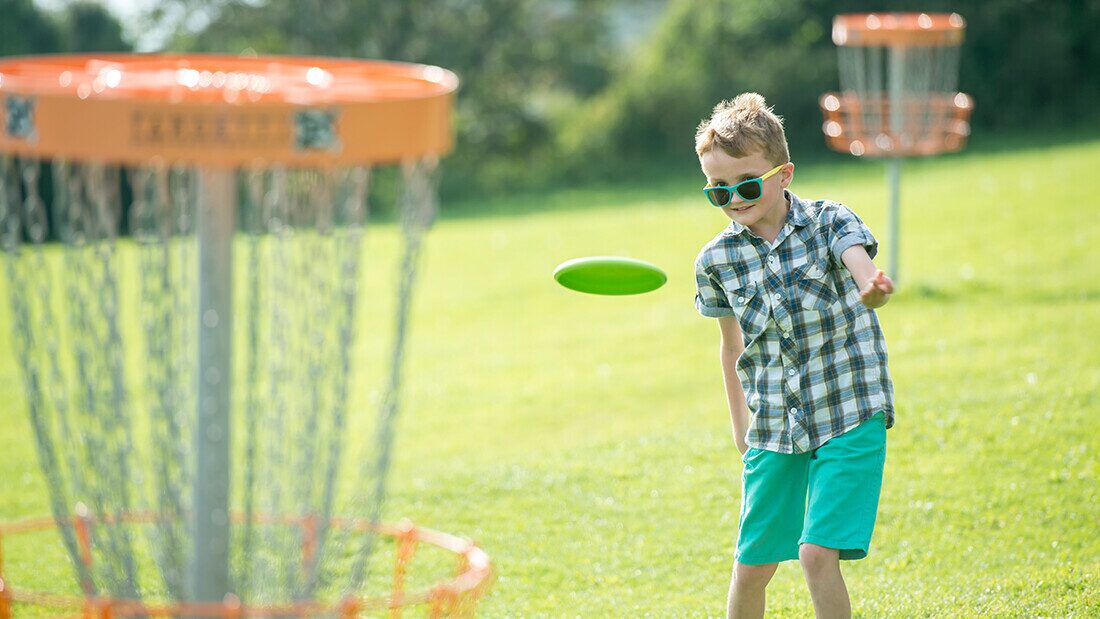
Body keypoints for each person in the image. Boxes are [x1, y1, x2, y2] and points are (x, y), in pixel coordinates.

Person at [693, 93, 896, 619]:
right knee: (752, 565)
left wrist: (869, 287)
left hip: (849, 409)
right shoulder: (716, 260)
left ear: (783, 174)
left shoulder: (830, 221)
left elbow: (858, 264)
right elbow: (731, 346)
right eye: (718, 190)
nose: (734, 198)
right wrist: (741, 425)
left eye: (745, 183)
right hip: (775, 424)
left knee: (815, 553)